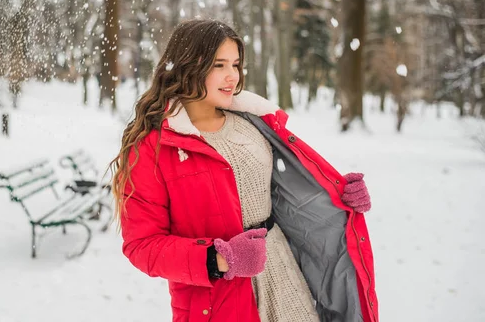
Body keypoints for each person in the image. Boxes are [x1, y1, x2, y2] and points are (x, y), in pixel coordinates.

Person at [110, 19, 378, 322]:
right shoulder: (153, 148)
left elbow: (282, 193)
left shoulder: (252, 123)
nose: (232, 77)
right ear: (187, 66)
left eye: (236, 65)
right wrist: (218, 258)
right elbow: (142, 245)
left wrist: (337, 197)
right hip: (218, 300)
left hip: (283, 277)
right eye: (219, 65)